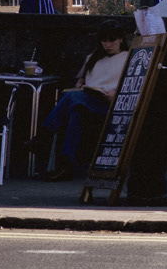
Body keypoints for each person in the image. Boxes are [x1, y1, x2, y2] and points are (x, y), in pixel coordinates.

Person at [36, 30, 129, 181]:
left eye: (112, 40)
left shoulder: (128, 58)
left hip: (110, 104)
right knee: (75, 113)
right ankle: (66, 166)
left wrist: (115, 95)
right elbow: (80, 80)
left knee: (72, 97)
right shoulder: (93, 58)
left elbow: (133, 85)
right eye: (104, 40)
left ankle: (43, 137)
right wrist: (81, 86)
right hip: (89, 99)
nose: (108, 44)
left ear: (121, 40)